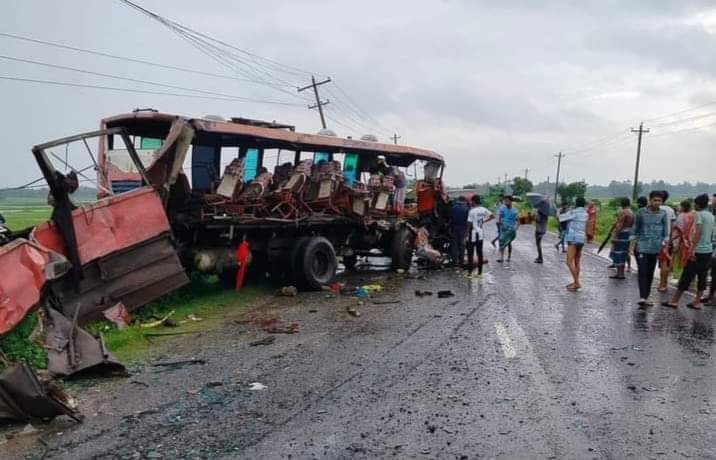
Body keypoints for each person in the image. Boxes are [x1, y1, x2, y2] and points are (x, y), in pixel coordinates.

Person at [663, 194, 715, 309]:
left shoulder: (699, 215)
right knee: (702, 276)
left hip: (698, 250)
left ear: (697, 204)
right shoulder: (711, 216)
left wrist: (692, 250)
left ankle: (674, 300)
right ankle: (697, 301)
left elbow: (698, 232)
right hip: (708, 250)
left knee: (687, 275)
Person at [633, 191, 668, 307]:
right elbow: (635, 229)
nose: (657, 203)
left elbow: (665, 233)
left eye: (659, 201)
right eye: (655, 200)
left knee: (650, 272)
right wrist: (632, 242)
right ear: (650, 200)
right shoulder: (641, 212)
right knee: (642, 271)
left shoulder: (663, 214)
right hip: (642, 247)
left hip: (655, 248)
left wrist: (664, 244)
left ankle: (646, 297)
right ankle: (642, 297)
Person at [561, 197, 588, 291]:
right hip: (581, 238)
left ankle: (577, 282)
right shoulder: (585, 213)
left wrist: (559, 211)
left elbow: (561, 218)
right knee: (577, 262)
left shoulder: (573, 212)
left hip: (573, 238)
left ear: (576, 203)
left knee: (569, 262)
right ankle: (576, 281)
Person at [466, 195, 494, 277]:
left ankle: (470, 273)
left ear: (474, 201)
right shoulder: (484, 209)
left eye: (471, 201)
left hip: (472, 234)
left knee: (470, 254)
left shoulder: (472, 211)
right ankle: (480, 272)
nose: (471, 202)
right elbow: (492, 216)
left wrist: (466, 235)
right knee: (480, 253)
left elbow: (469, 224)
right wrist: (484, 221)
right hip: (480, 234)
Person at [609, 197, 634, 280]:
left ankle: (620, 273)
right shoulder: (631, 212)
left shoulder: (623, 212)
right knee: (624, 253)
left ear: (622, 204)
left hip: (621, 234)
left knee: (618, 253)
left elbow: (619, 225)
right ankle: (621, 273)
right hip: (628, 234)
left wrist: (615, 236)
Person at [657, 191, 676, 292]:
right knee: (665, 263)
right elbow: (673, 227)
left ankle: (662, 284)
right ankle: (664, 284)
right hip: (668, 240)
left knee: (662, 263)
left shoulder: (657, 209)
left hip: (658, 240)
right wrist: (671, 240)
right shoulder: (671, 210)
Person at [671, 199, 695, 276]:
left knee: (679, 260)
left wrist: (672, 240)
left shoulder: (681, 216)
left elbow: (678, 230)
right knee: (687, 259)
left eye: (680, 206)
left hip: (681, 241)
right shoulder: (693, 215)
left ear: (683, 207)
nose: (679, 207)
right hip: (691, 241)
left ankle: (678, 277)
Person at [497, 195, 519, 262]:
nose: (506, 202)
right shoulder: (502, 209)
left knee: (509, 243)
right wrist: (501, 224)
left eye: (507, 201)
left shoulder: (515, 210)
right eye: (505, 201)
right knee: (501, 242)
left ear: (511, 201)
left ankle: (509, 256)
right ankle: (501, 257)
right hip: (503, 228)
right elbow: (500, 218)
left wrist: (516, 227)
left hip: (511, 229)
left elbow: (518, 221)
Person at [449, 196, 470, 267]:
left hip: (454, 228)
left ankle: (454, 261)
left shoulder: (453, 208)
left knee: (454, 245)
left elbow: (450, 218)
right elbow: (468, 221)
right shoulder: (467, 209)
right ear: (464, 201)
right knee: (462, 245)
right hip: (463, 229)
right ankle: (461, 261)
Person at [533, 197, 550, 264]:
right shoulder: (546, 213)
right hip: (542, 229)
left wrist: (535, 216)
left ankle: (540, 258)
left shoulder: (541, 213)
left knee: (538, 244)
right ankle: (539, 257)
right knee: (538, 244)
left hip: (539, 230)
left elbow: (538, 220)